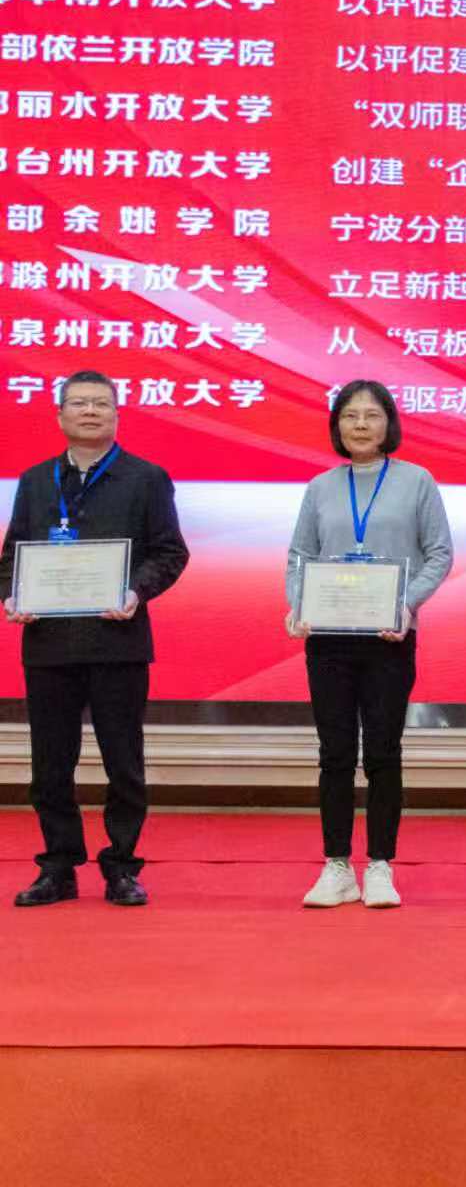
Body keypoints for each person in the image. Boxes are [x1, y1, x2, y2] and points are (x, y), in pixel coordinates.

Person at [1, 370, 189, 906]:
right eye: (79, 403)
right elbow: (13, 557)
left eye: (101, 404)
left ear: (117, 414)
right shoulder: (36, 480)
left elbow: (170, 552)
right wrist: (13, 595)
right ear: (60, 415)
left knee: (123, 763)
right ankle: (58, 867)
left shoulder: (146, 478)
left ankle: (122, 867)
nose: (89, 411)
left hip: (117, 641)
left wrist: (135, 591)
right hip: (49, 644)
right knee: (49, 765)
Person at [283, 381, 453, 909]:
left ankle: (380, 864)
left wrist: (408, 605)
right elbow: (299, 556)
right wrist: (298, 604)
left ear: (389, 424)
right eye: (350, 415)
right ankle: (336, 865)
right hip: (328, 639)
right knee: (334, 753)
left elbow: (439, 554)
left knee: (382, 752)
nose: (360, 424)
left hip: (389, 637)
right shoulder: (320, 486)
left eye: (371, 415)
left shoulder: (416, 481)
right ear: (337, 425)